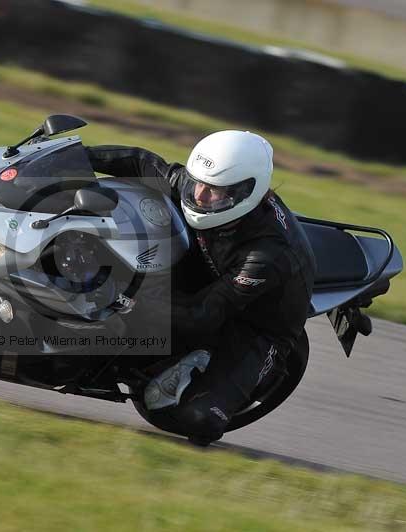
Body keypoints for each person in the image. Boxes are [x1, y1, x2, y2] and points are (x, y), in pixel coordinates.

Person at [86, 130, 316, 446]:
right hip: (210, 273)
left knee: (192, 418)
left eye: (215, 192)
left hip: (253, 329)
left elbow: (202, 315)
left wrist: (123, 298)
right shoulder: (202, 187)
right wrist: (78, 155)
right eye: (199, 183)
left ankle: (205, 361)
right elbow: (144, 163)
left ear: (245, 193)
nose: (201, 197)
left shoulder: (266, 255)